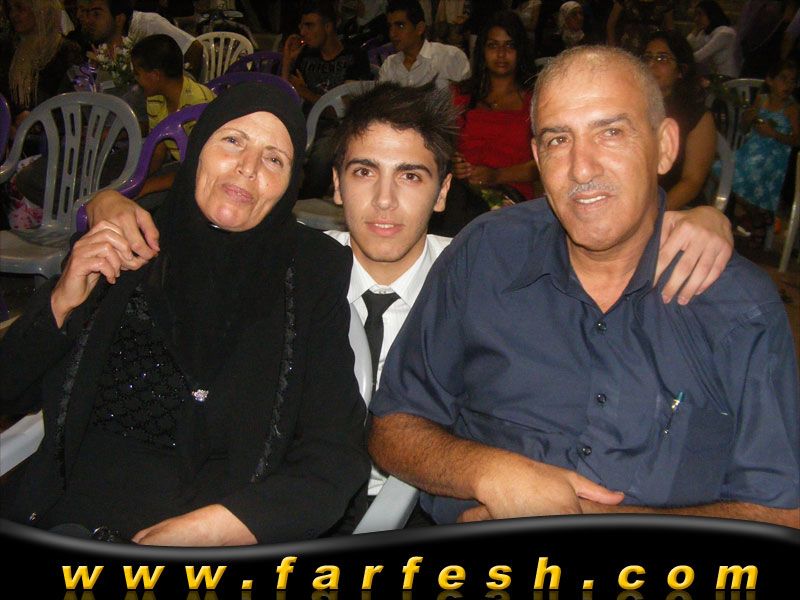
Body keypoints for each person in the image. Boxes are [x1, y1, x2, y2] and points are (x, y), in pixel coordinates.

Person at [82, 80, 736, 514]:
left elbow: (590, 234)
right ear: (335, 185)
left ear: (444, 190)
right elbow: (206, 226)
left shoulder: (479, 276)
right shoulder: (293, 265)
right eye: (364, 172)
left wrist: (703, 218)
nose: (386, 202)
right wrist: (108, 203)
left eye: (413, 177)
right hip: (284, 502)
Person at [368, 45, 799, 529]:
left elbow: (782, 512)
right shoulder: (487, 254)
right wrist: (489, 472)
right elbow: (393, 426)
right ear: (537, 157)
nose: (582, 168)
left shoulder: (736, 306)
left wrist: (573, 515)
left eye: (611, 133)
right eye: (558, 140)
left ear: (665, 146)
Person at [0, 82, 370, 545]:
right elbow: (8, 390)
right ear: (198, 150)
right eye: (232, 140)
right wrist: (60, 302)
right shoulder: (127, 240)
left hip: (212, 536)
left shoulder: (310, 272)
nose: (248, 167)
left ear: (291, 182)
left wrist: (218, 529)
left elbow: (335, 455)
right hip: (68, 516)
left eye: (274, 159)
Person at [437, 10, 538, 236]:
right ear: (482, 51)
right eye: (493, 45)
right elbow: (443, 147)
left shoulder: (535, 100)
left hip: (511, 197)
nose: (501, 54)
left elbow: (544, 163)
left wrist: (496, 175)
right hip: (461, 195)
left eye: (509, 46)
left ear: (520, 50)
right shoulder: (461, 95)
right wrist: (454, 163)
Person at [280, 0, 372, 198]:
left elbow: (346, 109)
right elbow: (284, 99)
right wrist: (287, 62)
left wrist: (305, 91)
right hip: (305, 122)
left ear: (328, 27)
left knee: (321, 156)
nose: (303, 32)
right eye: (301, 26)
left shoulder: (354, 56)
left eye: (309, 25)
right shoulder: (305, 56)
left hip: (339, 126)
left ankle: (305, 201)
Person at [130, 34, 215, 198]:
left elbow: (200, 168)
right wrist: (136, 181)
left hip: (205, 177)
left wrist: (148, 187)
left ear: (155, 76)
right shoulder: (155, 99)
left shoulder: (197, 105)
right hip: (182, 167)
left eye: (137, 73)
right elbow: (158, 151)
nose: (136, 79)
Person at [727, 59, 800, 246]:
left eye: (793, 81)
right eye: (783, 79)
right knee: (725, 169)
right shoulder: (762, 100)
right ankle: (760, 216)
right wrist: (749, 117)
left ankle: (759, 219)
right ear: (770, 80)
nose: (788, 85)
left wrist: (774, 134)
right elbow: (744, 128)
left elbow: (796, 139)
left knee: (746, 172)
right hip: (750, 151)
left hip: (773, 159)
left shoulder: (791, 108)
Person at [643, 30, 716, 210]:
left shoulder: (697, 116)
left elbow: (692, 182)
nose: (651, 64)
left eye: (662, 58)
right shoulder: (632, 105)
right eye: (647, 57)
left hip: (673, 206)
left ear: (681, 71)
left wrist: (653, 214)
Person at [0, 0, 82, 134]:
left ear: (41, 11)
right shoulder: (7, 49)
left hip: (53, 134)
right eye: (10, 9)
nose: (13, 14)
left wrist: (37, 119)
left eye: (20, 8)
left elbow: (72, 100)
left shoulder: (66, 51)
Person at [81, 0, 203, 80]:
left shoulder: (147, 24)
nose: (88, 20)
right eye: (87, 13)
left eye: (96, 14)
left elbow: (195, 48)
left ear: (119, 19)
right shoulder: (103, 39)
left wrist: (186, 93)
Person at [378, 0, 470, 89]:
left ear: (420, 28)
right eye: (390, 27)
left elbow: (466, 96)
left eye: (400, 26)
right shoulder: (389, 65)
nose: (392, 34)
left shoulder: (450, 57)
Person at [686, 0, 739, 79]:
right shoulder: (705, 32)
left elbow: (699, 57)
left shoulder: (725, 33)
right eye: (695, 15)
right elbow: (688, 47)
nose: (696, 19)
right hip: (714, 77)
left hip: (728, 78)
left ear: (711, 14)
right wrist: (695, 30)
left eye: (700, 14)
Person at [606, 0, 674, 53]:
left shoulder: (665, 2)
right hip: (630, 43)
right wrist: (612, 47)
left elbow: (670, 27)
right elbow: (611, 23)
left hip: (654, 43)